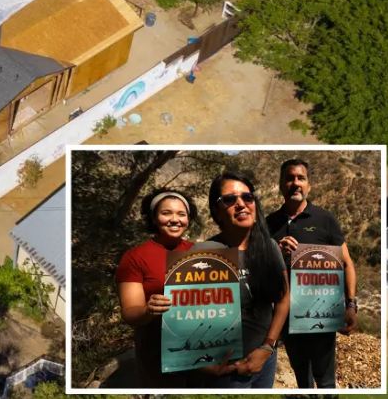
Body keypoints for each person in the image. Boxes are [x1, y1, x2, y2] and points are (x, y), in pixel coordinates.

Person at [264, 157, 356, 389]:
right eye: (289, 178)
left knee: (326, 382)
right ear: (281, 185)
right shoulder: (268, 223)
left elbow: (347, 263)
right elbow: (260, 269)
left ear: (309, 185)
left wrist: (351, 304)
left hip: (321, 316)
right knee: (302, 380)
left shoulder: (325, 219)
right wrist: (276, 251)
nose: (295, 183)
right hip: (287, 319)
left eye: (301, 178)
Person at [193, 171, 289, 389]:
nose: (241, 204)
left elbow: (283, 299)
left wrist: (267, 347)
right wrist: (202, 364)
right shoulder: (204, 254)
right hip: (226, 371)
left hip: (266, 360)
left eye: (247, 197)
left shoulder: (269, 247)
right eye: (229, 199)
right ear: (216, 211)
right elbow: (185, 320)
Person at [115, 187, 198, 388]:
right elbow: (130, 312)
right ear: (153, 218)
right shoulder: (135, 257)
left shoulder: (200, 251)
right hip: (157, 353)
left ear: (188, 219)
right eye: (166, 213)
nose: (175, 219)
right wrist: (148, 310)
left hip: (200, 347)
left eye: (181, 214)